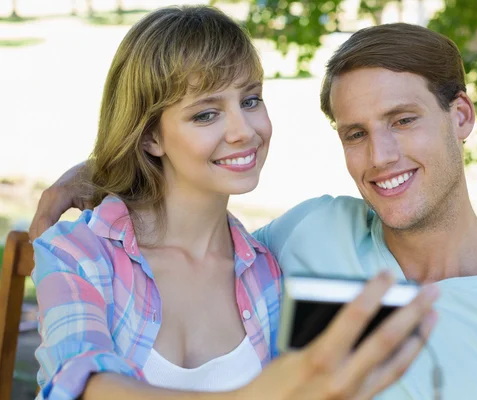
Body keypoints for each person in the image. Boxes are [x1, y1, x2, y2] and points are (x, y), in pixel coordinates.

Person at [31, 18, 477, 400]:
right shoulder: (309, 234)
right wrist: (99, 173)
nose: (381, 156)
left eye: (403, 120)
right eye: (355, 133)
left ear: (461, 117)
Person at [28, 7, 439, 400]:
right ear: (151, 137)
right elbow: (80, 384)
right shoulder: (77, 253)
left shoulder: (269, 270)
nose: (245, 131)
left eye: (250, 100)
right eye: (206, 114)